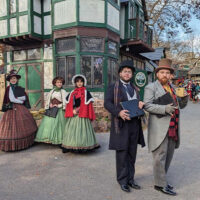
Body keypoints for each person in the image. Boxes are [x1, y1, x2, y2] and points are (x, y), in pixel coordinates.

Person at [144, 58, 186, 196]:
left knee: (168, 155)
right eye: (162, 72)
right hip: (159, 128)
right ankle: (160, 184)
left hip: (173, 128)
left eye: (167, 73)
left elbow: (181, 105)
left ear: (170, 75)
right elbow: (147, 105)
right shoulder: (151, 87)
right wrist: (164, 109)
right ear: (157, 74)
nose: (165, 75)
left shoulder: (173, 88)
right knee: (159, 157)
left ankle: (161, 180)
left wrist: (184, 98)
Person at [104, 60, 145, 193]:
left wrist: (140, 104)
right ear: (120, 73)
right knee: (122, 153)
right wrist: (119, 112)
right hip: (121, 124)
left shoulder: (134, 88)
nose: (127, 74)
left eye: (130, 72)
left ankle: (131, 179)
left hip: (134, 124)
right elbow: (107, 103)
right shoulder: (113, 86)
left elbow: (135, 102)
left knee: (132, 153)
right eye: (125, 71)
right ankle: (122, 180)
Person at [0, 70, 37, 151]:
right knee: (9, 125)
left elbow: (23, 98)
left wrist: (19, 99)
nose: (13, 80)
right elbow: (11, 99)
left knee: (25, 121)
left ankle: (25, 142)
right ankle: (11, 144)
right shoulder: (8, 88)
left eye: (15, 78)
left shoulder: (19, 88)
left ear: (17, 80)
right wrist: (19, 100)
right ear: (9, 80)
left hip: (20, 108)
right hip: (11, 108)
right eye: (12, 79)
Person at [61, 74, 100, 153]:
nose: (79, 83)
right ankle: (71, 145)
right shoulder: (72, 92)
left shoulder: (86, 92)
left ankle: (83, 146)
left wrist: (78, 110)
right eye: (77, 82)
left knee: (83, 130)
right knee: (71, 130)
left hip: (82, 114)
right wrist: (72, 110)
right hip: (74, 113)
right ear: (75, 83)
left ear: (83, 82)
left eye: (81, 81)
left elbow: (87, 104)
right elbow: (69, 103)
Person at [35, 77, 67, 145]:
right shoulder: (52, 91)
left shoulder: (63, 92)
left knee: (58, 125)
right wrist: (50, 104)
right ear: (55, 83)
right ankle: (48, 139)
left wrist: (58, 106)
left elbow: (65, 102)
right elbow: (48, 99)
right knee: (48, 124)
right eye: (58, 82)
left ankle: (58, 139)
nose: (59, 84)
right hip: (52, 109)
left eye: (60, 82)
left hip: (59, 110)